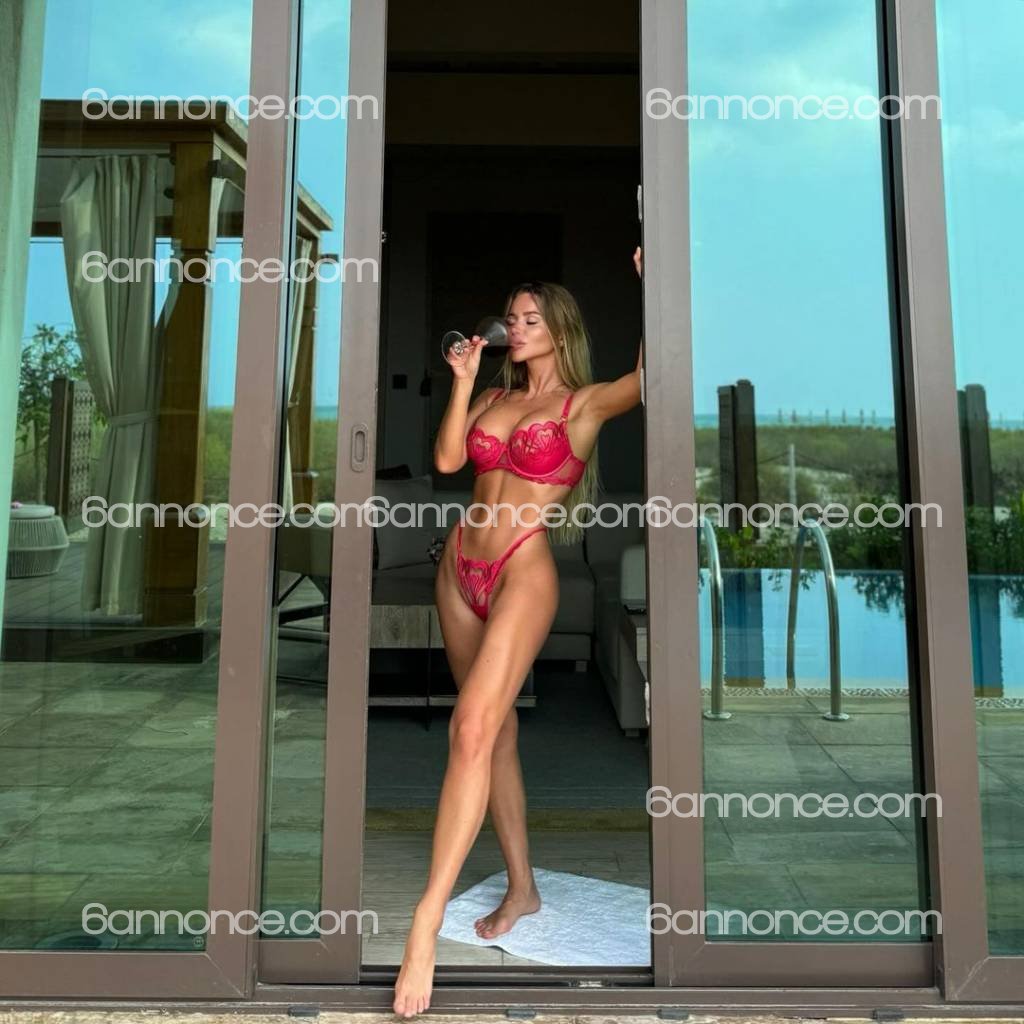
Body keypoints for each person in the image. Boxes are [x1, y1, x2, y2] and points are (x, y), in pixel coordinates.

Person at [392, 247, 644, 1018]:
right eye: (513, 317)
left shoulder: (584, 404)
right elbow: (446, 459)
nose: (518, 326)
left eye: (532, 318)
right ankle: (523, 888)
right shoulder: (495, 394)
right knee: (494, 734)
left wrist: (654, 279)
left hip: (521, 571)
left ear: (560, 329)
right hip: (458, 568)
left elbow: (653, 376)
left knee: (469, 728)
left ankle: (424, 923)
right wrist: (463, 379)